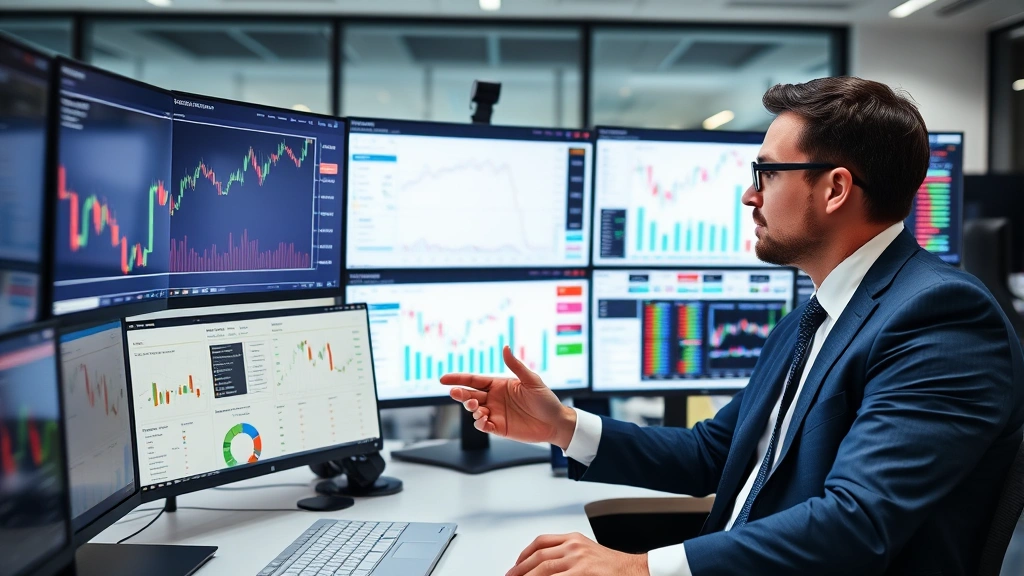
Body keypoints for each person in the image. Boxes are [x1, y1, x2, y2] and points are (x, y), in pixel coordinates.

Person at [442, 76, 1024, 576]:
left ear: (836, 188)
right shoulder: (821, 311)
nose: (750, 194)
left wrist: (639, 566)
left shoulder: (942, 319)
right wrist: (564, 425)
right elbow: (715, 452)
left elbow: (857, 523)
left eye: (767, 172)